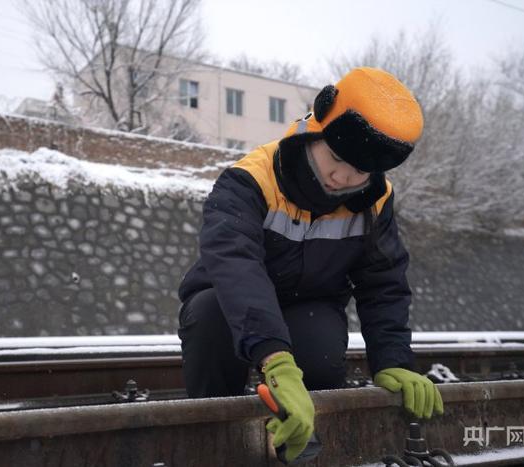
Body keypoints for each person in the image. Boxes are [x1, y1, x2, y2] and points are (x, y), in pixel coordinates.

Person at [177, 67, 444, 462]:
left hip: (312, 303)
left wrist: (393, 361)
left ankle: (303, 449)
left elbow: (382, 282)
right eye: (336, 157)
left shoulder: (376, 200)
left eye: (360, 170)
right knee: (209, 316)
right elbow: (236, 265)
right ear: (316, 130)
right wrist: (275, 359)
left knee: (319, 349)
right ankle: (214, 440)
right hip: (230, 301)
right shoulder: (249, 180)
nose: (342, 176)